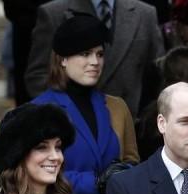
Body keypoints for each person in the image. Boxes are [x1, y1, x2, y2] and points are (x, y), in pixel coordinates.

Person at [32, 13, 139, 194]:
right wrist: (97, 183)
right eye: (85, 54)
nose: (95, 62)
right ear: (63, 59)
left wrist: (124, 173)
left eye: (100, 54)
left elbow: (132, 160)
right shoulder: (39, 111)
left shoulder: (116, 107)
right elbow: (34, 175)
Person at [25, 0, 164, 116]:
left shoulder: (145, 14)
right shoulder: (53, 13)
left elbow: (159, 77)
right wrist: (64, 114)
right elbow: (37, 76)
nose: (95, 62)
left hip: (130, 127)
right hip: (69, 131)